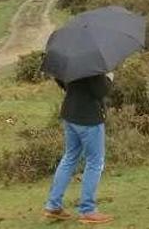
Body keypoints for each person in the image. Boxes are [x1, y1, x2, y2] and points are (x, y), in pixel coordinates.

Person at [43, 72, 114, 224]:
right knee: (95, 162)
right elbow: (101, 91)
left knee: (70, 157)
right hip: (88, 118)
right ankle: (88, 210)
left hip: (70, 113)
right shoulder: (93, 65)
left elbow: (60, 77)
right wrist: (108, 77)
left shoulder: (70, 58)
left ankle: (53, 205)